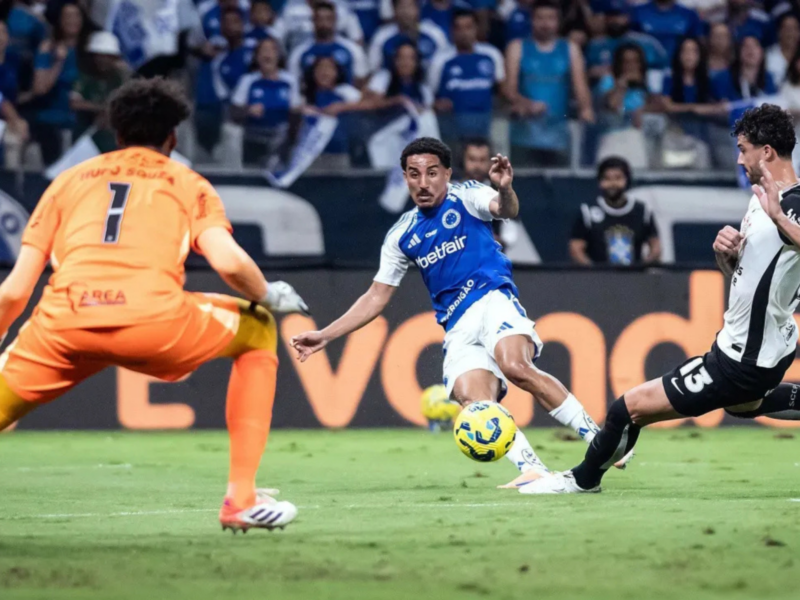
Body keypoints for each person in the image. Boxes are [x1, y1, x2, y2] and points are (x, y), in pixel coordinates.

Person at [0, 77, 310, 531]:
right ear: (173, 137)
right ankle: (240, 499)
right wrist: (267, 294)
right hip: (154, 323)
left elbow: (13, 291)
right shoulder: (187, 182)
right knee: (258, 328)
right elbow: (228, 262)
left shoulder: (66, 183)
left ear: (117, 134)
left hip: (64, 326)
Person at [290, 137, 632, 489]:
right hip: (456, 325)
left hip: (492, 300)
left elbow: (505, 209)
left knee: (516, 366)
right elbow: (376, 297)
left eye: (432, 173)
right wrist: (325, 334)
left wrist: (505, 188)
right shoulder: (401, 236)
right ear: (405, 178)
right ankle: (533, 468)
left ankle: (600, 440)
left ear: (447, 173)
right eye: (413, 174)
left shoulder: (467, 195)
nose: (423, 183)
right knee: (473, 401)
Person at [521, 104, 800, 495]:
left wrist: (779, 217)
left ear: (767, 151)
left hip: (743, 358)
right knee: (744, 405)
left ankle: (581, 481)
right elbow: (754, 278)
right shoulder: (763, 198)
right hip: (761, 345)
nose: (739, 158)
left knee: (626, 409)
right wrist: (730, 256)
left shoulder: (790, 202)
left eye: (743, 148)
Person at [505, 0, 594, 167]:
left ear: (558, 21)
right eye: (540, 18)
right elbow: (508, 90)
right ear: (531, 20)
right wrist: (527, 104)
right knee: (523, 187)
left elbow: (581, 88)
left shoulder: (570, 49)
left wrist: (586, 109)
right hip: (524, 133)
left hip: (559, 134)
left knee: (560, 187)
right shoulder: (517, 47)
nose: (545, 23)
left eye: (550, 18)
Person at [428, 10, 505, 143]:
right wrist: (436, 104)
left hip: (486, 128)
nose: (464, 33)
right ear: (452, 31)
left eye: (468, 27)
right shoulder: (440, 60)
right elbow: (428, 94)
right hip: (450, 132)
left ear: (476, 29)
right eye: (459, 28)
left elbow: (502, 91)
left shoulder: (491, 55)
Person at [569, 156, 661, 266]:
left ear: (627, 180)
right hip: (598, 279)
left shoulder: (642, 211)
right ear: (600, 182)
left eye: (618, 178)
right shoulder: (587, 212)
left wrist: (642, 268)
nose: (612, 183)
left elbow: (656, 247)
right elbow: (576, 249)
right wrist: (594, 272)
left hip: (633, 278)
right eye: (607, 179)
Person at [28, 2, 85, 166]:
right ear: (59, 20)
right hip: (51, 121)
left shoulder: (89, 50)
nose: (72, 21)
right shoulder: (48, 48)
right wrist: (58, 62)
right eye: (67, 16)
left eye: (76, 16)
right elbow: (39, 88)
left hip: (82, 123)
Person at [231, 37, 301, 167]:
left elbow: (295, 112)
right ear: (256, 57)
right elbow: (234, 113)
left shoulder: (289, 81)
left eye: (271, 50)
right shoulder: (247, 80)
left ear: (278, 56)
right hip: (254, 138)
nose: (267, 54)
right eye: (263, 50)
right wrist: (248, 110)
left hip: (281, 139)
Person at [194, 7, 250, 156]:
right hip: (220, 111)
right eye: (226, 23)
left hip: (247, 112)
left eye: (235, 22)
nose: (231, 26)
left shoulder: (252, 53)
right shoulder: (215, 56)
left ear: (243, 24)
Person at [70, 31, 128, 152]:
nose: (103, 60)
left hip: (111, 137)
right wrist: (100, 108)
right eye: (100, 56)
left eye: (108, 56)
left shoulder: (119, 78)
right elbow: (75, 103)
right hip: (86, 133)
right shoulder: (85, 77)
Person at [288, 1, 368, 87]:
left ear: (335, 20)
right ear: (313, 21)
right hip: (310, 99)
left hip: (347, 98)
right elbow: (294, 84)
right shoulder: (299, 53)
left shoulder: (352, 50)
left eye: (328, 19)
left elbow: (361, 80)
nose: (324, 24)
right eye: (320, 19)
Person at [368, 0, 449, 72]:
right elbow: (373, 69)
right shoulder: (382, 36)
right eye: (402, 7)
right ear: (394, 9)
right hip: (391, 85)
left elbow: (443, 64)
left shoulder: (434, 34)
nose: (406, 12)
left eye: (410, 6)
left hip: (426, 85)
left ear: (418, 9)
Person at [630, 0, 704, 61]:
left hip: (677, 70)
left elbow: (698, 45)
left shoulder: (689, 15)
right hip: (646, 68)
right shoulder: (638, 12)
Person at [766, 12, 800, 85]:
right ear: (779, 32)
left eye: (795, 28)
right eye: (787, 28)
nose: (791, 33)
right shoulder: (768, 56)